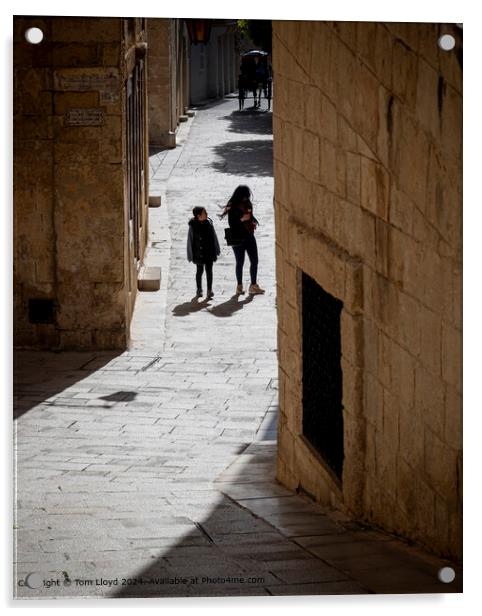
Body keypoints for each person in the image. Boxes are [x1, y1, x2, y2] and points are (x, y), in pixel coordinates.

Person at [219, 185, 265, 295]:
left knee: (255, 260)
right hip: (237, 237)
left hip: (249, 235)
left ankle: (253, 285)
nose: (246, 199)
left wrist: (252, 221)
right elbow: (232, 224)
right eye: (245, 197)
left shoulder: (248, 204)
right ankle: (239, 286)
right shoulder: (232, 206)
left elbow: (250, 216)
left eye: (247, 197)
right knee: (240, 262)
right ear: (240, 196)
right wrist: (242, 219)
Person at [187, 206, 220, 298]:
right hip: (199, 253)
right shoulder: (193, 226)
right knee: (199, 271)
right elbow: (190, 240)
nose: (206, 214)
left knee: (209, 271)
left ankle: (209, 290)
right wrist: (190, 254)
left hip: (209, 252)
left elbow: (214, 237)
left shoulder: (209, 223)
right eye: (204, 212)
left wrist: (216, 249)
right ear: (198, 215)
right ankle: (199, 289)